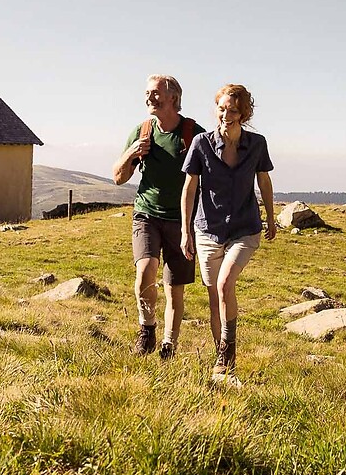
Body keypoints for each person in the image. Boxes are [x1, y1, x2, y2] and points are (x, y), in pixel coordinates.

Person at [181, 83, 276, 384]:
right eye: (222, 108)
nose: (226, 114)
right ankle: (223, 361)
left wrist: (271, 218)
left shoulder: (257, 144)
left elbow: (264, 182)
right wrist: (186, 232)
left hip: (244, 228)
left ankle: (226, 355)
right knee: (215, 297)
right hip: (207, 229)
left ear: (244, 113)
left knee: (224, 285)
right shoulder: (201, 144)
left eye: (233, 110)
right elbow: (189, 188)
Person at [113, 74, 205, 359]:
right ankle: (147, 328)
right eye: (147, 93)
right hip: (147, 214)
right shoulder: (142, 131)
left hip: (182, 221)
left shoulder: (194, 134)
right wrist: (131, 153)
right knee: (145, 271)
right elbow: (118, 177)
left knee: (174, 289)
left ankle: (169, 346)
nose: (148, 98)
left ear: (173, 99)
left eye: (154, 93)